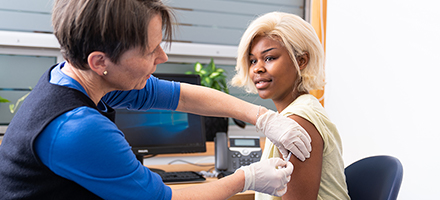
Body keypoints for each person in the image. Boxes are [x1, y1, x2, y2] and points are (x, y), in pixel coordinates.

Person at [0, 1, 313, 200]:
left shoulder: (74, 75)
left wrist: (262, 117)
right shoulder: (77, 129)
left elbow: (179, 95)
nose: (162, 57)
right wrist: (247, 178)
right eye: (150, 52)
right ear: (100, 61)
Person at [231, 12, 350, 200]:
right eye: (253, 60)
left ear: (301, 61)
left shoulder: (297, 123)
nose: (257, 68)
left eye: (269, 58)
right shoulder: (286, 117)